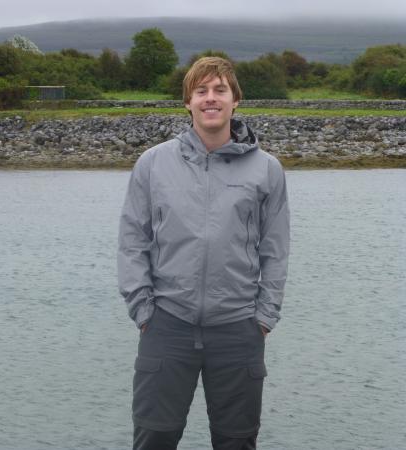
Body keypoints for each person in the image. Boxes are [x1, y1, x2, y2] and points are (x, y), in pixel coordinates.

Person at [117, 57, 290, 450]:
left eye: (219, 90)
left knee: (236, 441)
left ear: (235, 100)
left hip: (238, 329)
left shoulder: (267, 170)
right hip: (167, 326)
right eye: (201, 91)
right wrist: (144, 311)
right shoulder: (152, 164)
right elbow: (132, 241)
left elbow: (275, 250)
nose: (210, 98)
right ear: (188, 102)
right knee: (154, 437)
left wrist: (263, 317)